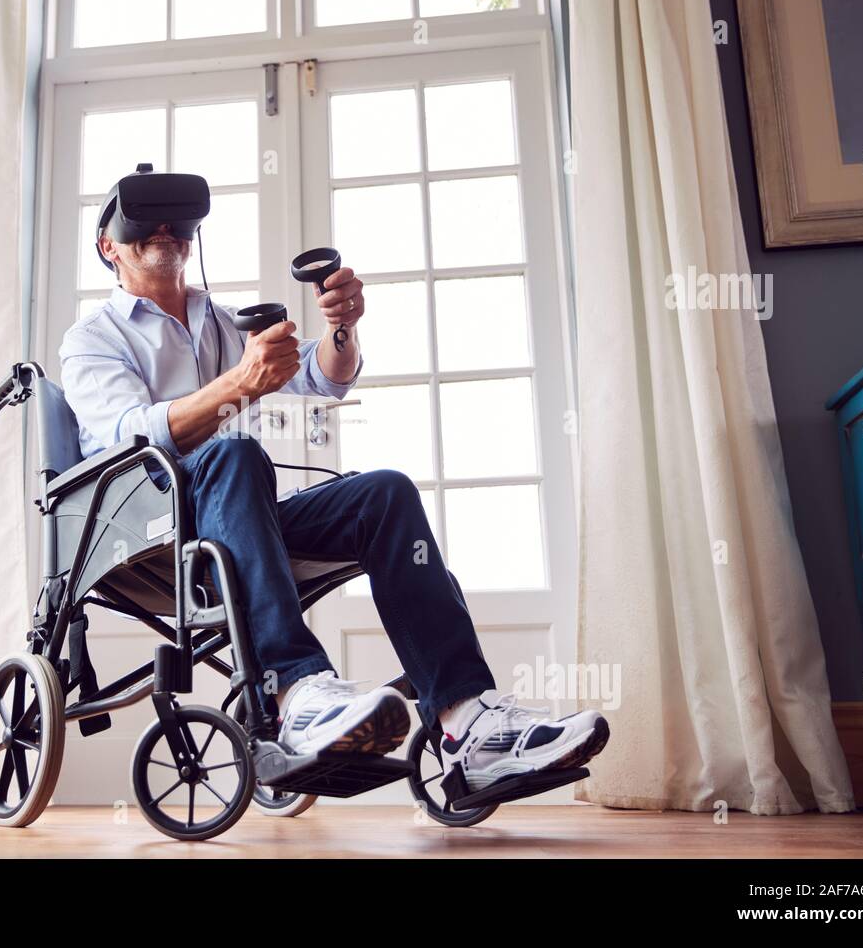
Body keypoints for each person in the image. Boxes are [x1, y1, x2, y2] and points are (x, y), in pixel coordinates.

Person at [58, 189, 608, 795]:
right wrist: (239, 382)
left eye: (175, 221)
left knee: (384, 495)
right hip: (152, 531)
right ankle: (299, 693)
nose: (165, 228)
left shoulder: (221, 320)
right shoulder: (92, 338)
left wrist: (340, 329)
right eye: (144, 224)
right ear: (108, 247)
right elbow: (127, 435)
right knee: (234, 452)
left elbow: (318, 382)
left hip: (241, 514)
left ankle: (466, 725)